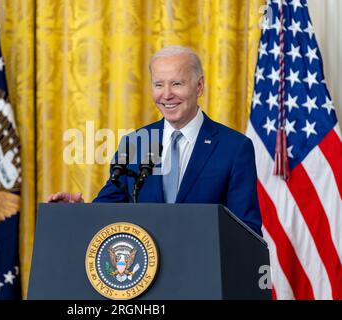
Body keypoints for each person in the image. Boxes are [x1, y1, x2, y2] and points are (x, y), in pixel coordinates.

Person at [48, 45, 262, 236]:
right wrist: (76, 210)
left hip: (205, 273)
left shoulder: (234, 148)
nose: (166, 95)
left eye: (177, 84)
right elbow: (110, 208)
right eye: (158, 85)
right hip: (144, 275)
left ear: (199, 86)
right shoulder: (135, 143)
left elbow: (246, 229)